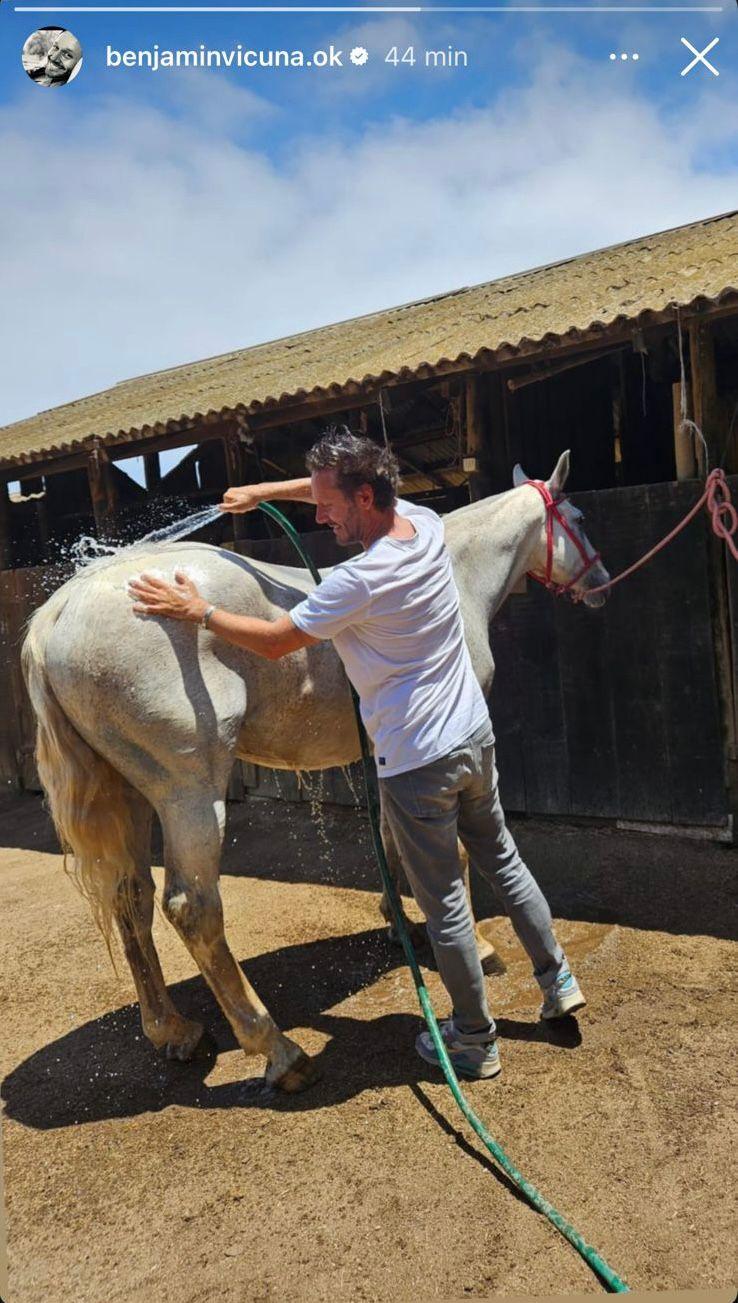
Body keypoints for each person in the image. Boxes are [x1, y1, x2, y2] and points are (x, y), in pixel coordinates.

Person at [128, 426, 585, 1081]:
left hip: (418, 763)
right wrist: (264, 491)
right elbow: (347, 479)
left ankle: (475, 1040)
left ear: (365, 497)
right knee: (503, 859)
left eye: (330, 506)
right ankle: (557, 978)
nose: (319, 517)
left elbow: (276, 639)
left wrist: (198, 610)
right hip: (472, 740)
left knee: (447, 906)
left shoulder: (358, 581)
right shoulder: (424, 524)